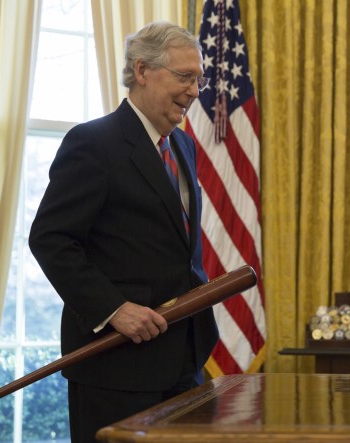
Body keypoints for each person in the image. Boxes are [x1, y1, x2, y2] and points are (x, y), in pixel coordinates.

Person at [29, 21, 217, 441]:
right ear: (143, 70)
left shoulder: (182, 146)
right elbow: (50, 239)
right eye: (184, 77)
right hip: (115, 368)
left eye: (199, 79)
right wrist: (113, 309)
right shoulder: (93, 143)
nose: (194, 90)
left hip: (185, 359)